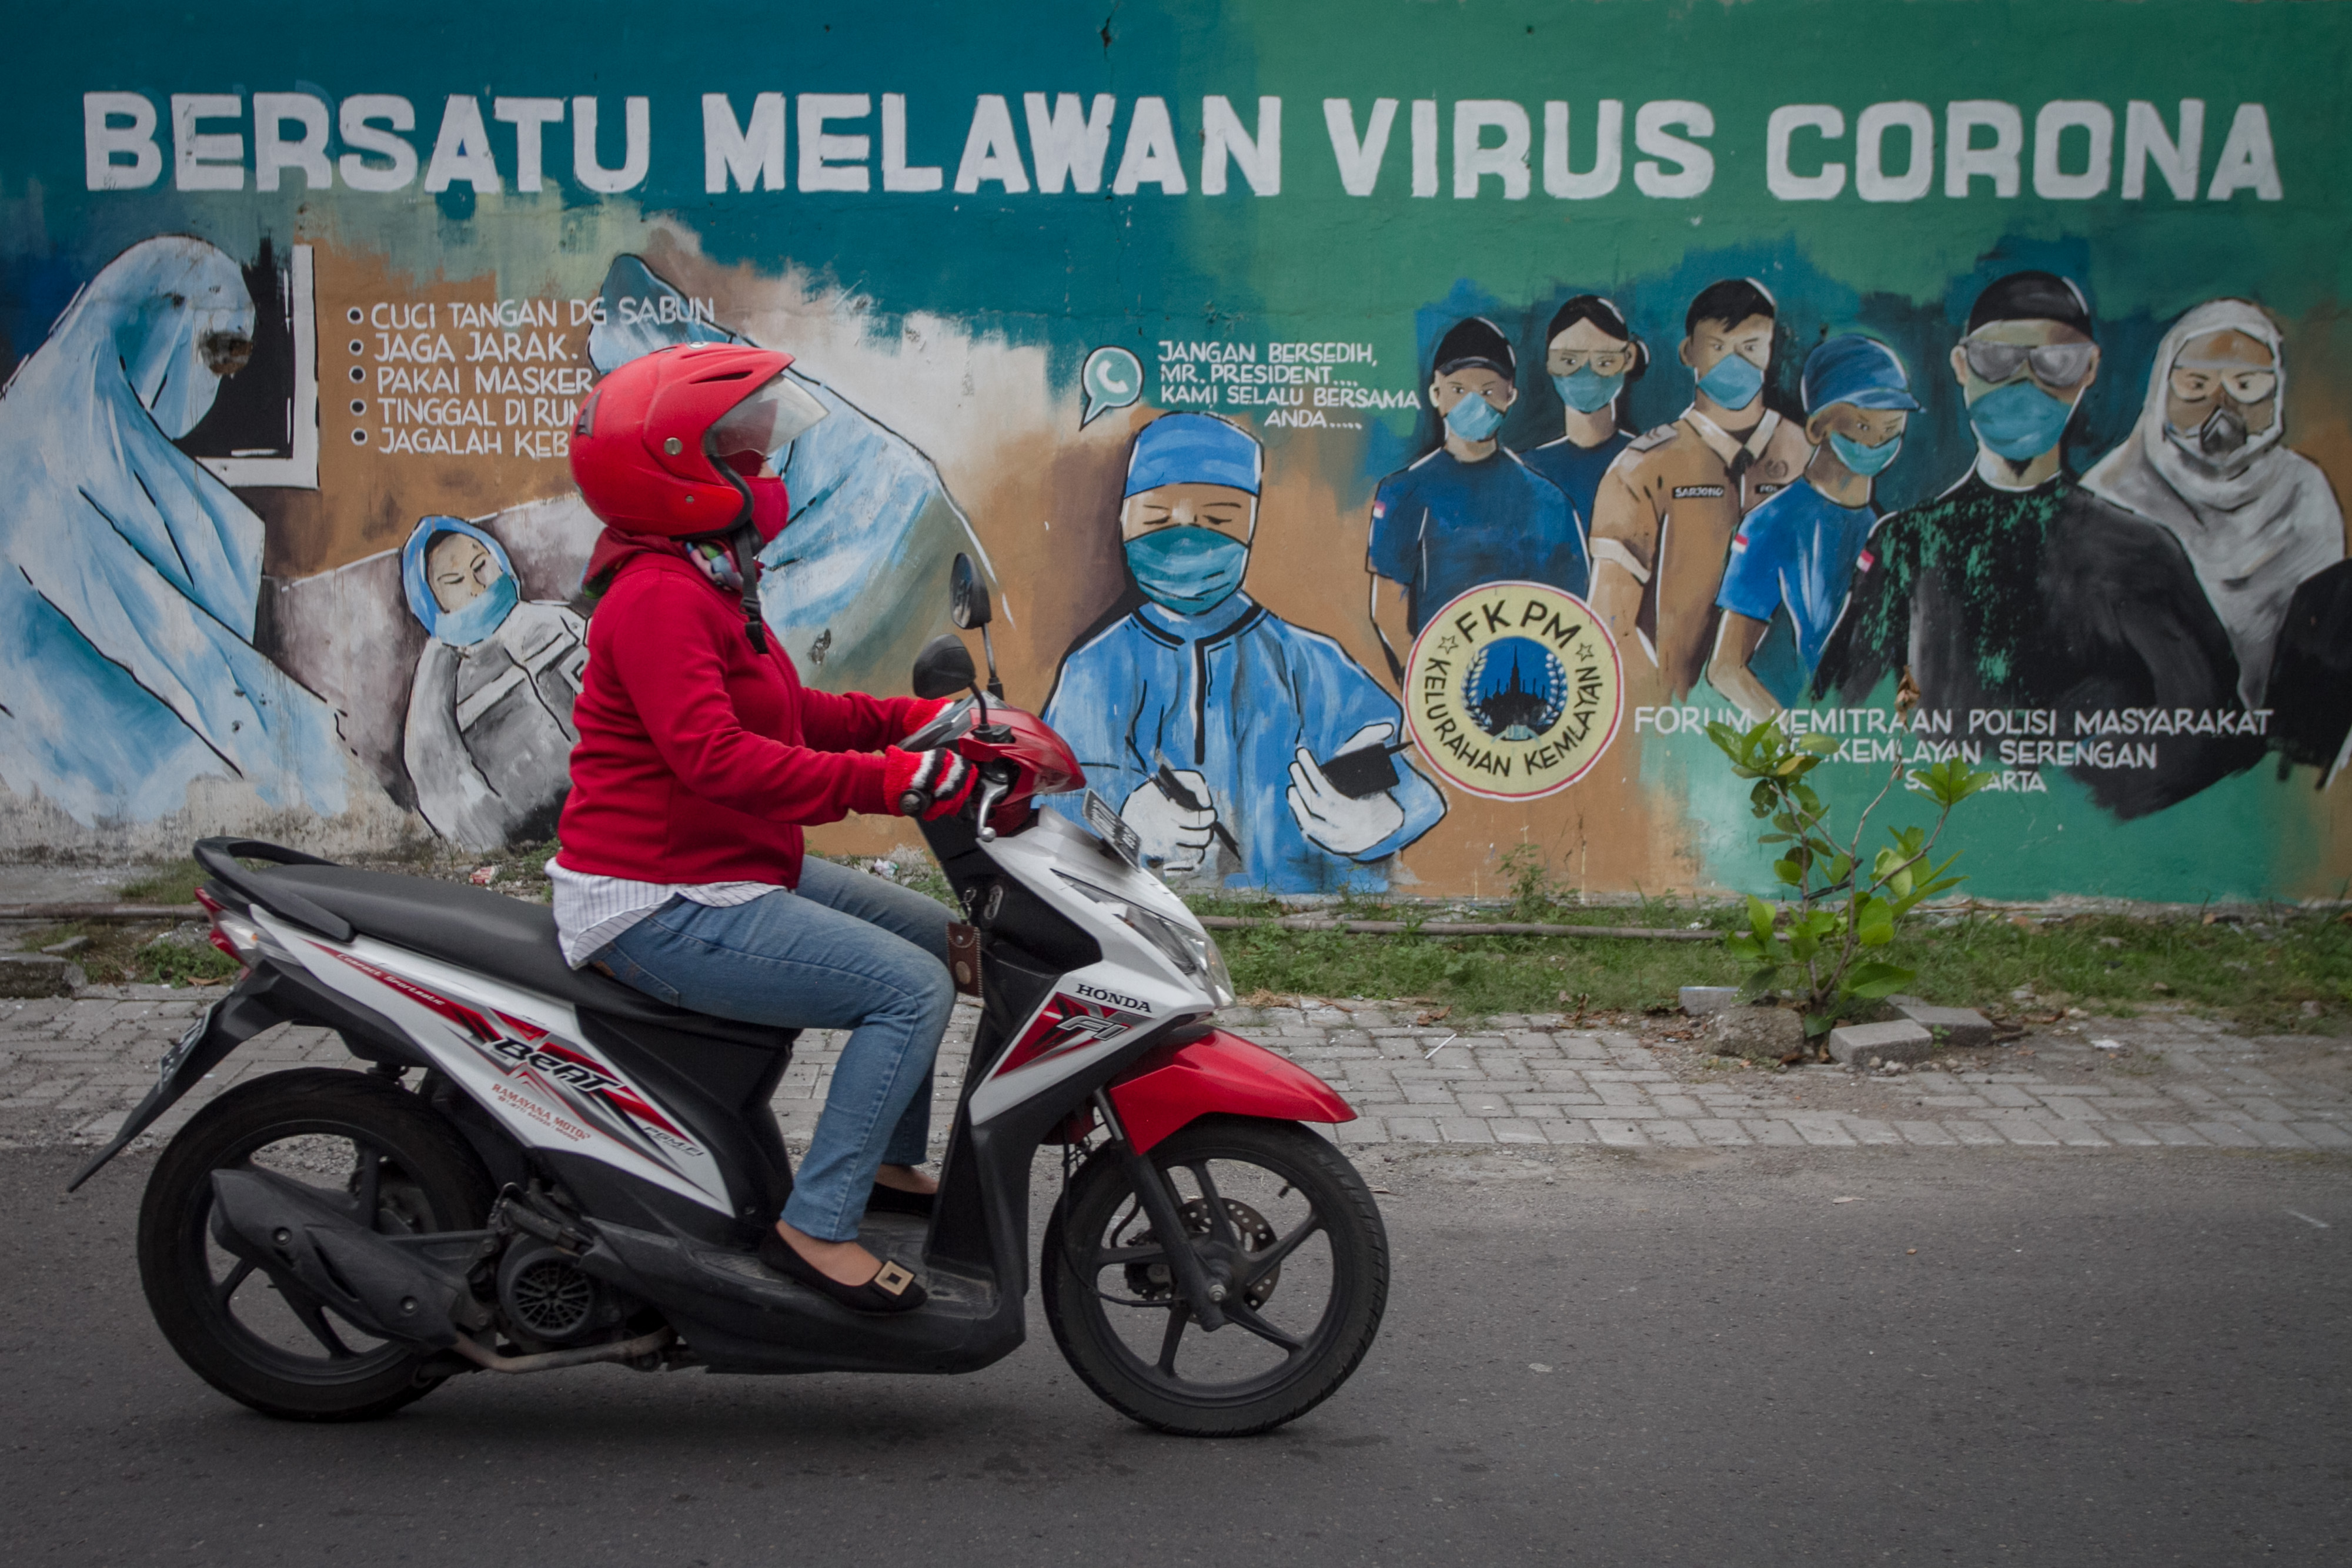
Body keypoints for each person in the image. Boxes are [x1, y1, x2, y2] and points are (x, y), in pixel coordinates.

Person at [550, 340, 979, 1315]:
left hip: (729, 867)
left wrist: (924, 724)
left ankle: (883, 1165)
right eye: (742, 457)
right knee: (909, 990)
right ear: (676, 471)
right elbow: (722, 762)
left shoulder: (704, 575)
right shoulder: (659, 599)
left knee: (934, 942)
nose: (765, 472)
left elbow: (789, 715)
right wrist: (893, 783)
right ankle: (816, 1226)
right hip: (658, 900)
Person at [1814, 271, 2254, 818]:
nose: (2023, 383)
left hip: (2095, 843)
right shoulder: (1907, 544)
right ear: (1961, 365)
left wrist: (2086, 806)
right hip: (1934, 828)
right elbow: (1843, 708)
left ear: (2088, 369)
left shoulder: (2139, 552)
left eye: (2055, 363)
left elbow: (2210, 729)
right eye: (1996, 360)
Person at [0, 235, 348, 825]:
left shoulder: (122, 449)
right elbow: (160, 635)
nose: (226, 378)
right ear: (157, 324)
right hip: (90, 763)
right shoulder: (48, 453)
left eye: (237, 358)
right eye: (219, 351)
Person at [1047, 413, 1446, 893]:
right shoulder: (1094, 668)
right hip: (1142, 921)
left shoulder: (1309, 665)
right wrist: (1127, 812)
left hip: (1302, 931)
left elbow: (1414, 761)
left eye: (1218, 518)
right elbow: (1053, 788)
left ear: (1251, 525)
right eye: (1157, 518)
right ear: (1126, 521)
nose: (1187, 533)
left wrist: (1385, 817)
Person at [2084, 298, 2344, 708]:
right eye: (2196, 387)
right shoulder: (2107, 493)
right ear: (2162, 390)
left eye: (2247, 385)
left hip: (2281, 739)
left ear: (2275, 392)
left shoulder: (2304, 492)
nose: (2223, 407)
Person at [1588, 278, 1814, 700]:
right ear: (1688, 351)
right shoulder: (1643, 467)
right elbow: (1608, 623)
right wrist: (1658, 716)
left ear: (1769, 350)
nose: (1736, 362)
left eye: (1750, 346)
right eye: (1718, 347)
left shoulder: (1809, 457)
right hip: (1678, 730)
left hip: (1801, 721)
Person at [1709, 335, 1917, 716]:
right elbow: (1726, 668)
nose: (1879, 442)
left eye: (1892, 428)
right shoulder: (1773, 524)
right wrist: (1792, 737)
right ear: (1819, 427)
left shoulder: (1890, 531)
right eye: (1863, 426)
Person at [1366, 316, 1584, 674]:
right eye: (1458, 390)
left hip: (1531, 691)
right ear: (1436, 394)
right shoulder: (1403, 493)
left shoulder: (1549, 502)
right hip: (1433, 695)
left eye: (1487, 391)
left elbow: (1573, 612)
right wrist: (1433, 687)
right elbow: (1388, 612)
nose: (1473, 403)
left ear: (1510, 395)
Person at [399, 516, 588, 850]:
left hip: (601, 802)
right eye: (455, 581)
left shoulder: (551, 622)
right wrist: (502, 839)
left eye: (480, 566)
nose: (477, 586)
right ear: (431, 599)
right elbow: (441, 776)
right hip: (529, 835)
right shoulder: (440, 678)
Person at [1521, 295, 1646, 539]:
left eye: (1604, 361)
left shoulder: (1648, 460)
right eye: (1569, 361)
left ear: (1628, 359)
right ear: (1550, 362)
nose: (1586, 373)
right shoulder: (1528, 470)